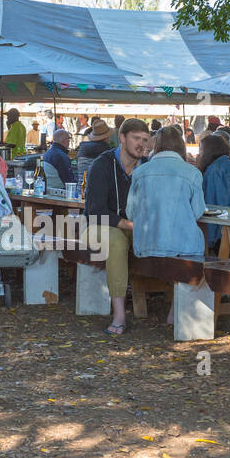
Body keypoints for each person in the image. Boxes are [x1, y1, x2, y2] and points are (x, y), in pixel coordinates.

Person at [126, 124, 206, 325]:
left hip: (145, 246)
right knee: (199, 244)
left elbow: (130, 213)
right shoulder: (192, 172)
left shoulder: (140, 172)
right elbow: (198, 212)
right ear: (181, 146)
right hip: (182, 247)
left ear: (156, 145)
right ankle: (177, 310)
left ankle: (174, 308)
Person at [86, 117, 150, 335]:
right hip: (99, 226)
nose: (141, 144)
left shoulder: (148, 168)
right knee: (116, 242)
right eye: (136, 138)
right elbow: (95, 211)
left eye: (145, 139)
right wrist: (128, 224)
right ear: (122, 138)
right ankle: (119, 315)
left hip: (135, 227)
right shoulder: (102, 165)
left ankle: (175, 309)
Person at [198, 133, 230, 251]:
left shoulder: (215, 170)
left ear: (208, 152)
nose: (199, 154)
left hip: (226, 231)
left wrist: (209, 244)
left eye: (201, 150)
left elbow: (212, 208)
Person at [77, 117, 114, 181]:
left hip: (81, 188)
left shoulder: (82, 148)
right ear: (107, 137)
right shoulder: (106, 151)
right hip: (98, 189)